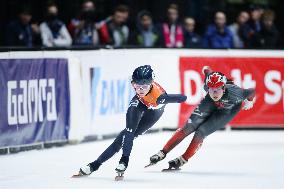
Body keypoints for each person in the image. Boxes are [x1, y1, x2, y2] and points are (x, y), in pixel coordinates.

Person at [74, 65, 187, 177]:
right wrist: (124, 159)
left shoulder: (159, 97)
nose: (140, 90)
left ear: (151, 84)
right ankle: (98, 164)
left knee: (132, 134)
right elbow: (129, 132)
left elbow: (182, 97)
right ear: (133, 83)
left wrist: (167, 99)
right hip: (141, 102)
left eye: (145, 86)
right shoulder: (140, 94)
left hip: (154, 111)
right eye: (137, 86)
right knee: (125, 134)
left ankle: (111, 162)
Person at [148, 66, 256, 170]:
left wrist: (250, 100)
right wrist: (206, 70)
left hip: (227, 110)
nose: (214, 92)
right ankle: (162, 152)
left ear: (224, 87)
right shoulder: (208, 87)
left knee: (201, 132)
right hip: (209, 103)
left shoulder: (236, 93)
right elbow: (207, 72)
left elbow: (251, 91)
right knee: (188, 127)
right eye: (211, 89)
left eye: (218, 89)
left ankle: (183, 159)